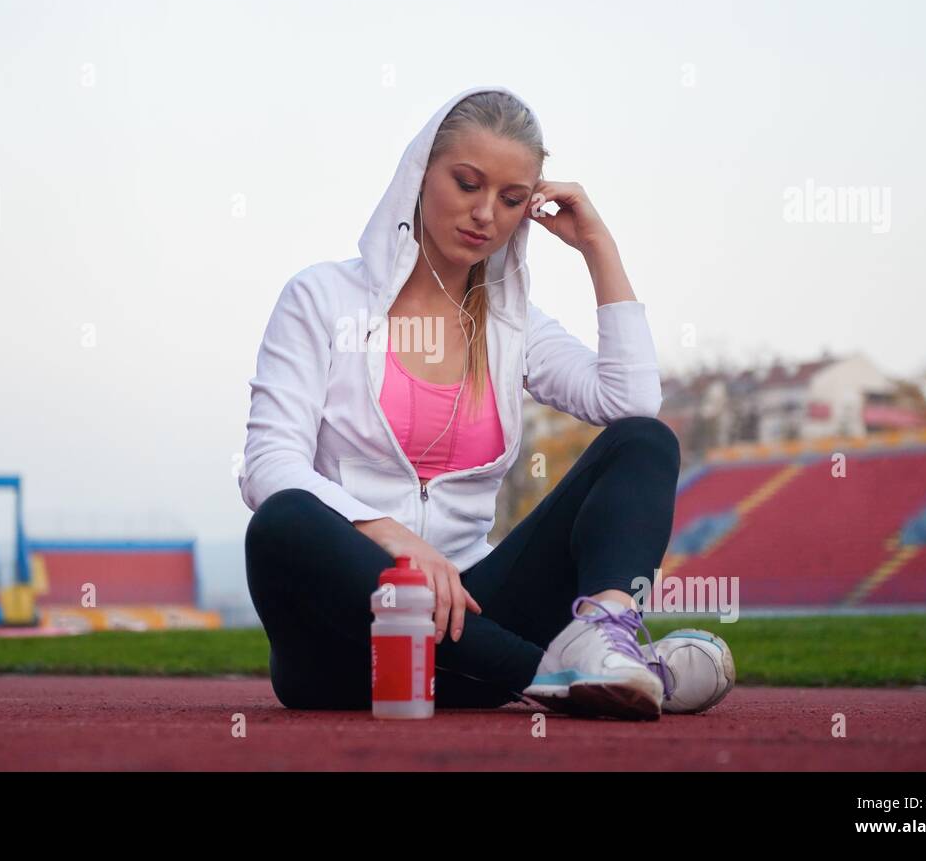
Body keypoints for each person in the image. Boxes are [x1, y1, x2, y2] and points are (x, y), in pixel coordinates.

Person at [239, 85, 681, 719]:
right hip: (345, 646)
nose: (485, 215)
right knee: (282, 522)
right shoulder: (322, 299)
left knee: (645, 442)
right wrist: (390, 539)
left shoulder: (514, 325)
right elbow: (268, 465)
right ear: (421, 174)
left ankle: (606, 646)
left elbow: (631, 400)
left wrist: (597, 248)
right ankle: (558, 674)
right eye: (467, 183)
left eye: (510, 199)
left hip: (470, 627)